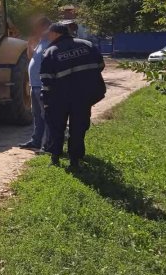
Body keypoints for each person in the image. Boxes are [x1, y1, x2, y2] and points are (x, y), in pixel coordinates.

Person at [40, 22, 106, 169]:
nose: (48, 37)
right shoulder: (87, 45)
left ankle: (55, 158)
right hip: (83, 96)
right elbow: (100, 65)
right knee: (78, 128)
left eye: (49, 34)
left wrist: (46, 99)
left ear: (56, 34)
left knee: (56, 127)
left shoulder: (51, 51)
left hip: (59, 98)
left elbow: (46, 79)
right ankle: (75, 161)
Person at [20, 15, 51, 150]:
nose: (36, 30)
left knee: (47, 117)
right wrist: (29, 45)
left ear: (46, 28)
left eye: (38, 27)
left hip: (44, 86)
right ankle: (36, 141)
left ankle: (48, 145)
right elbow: (31, 57)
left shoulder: (51, 42)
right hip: (34, 85)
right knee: (37, 116)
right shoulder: (41, 41)